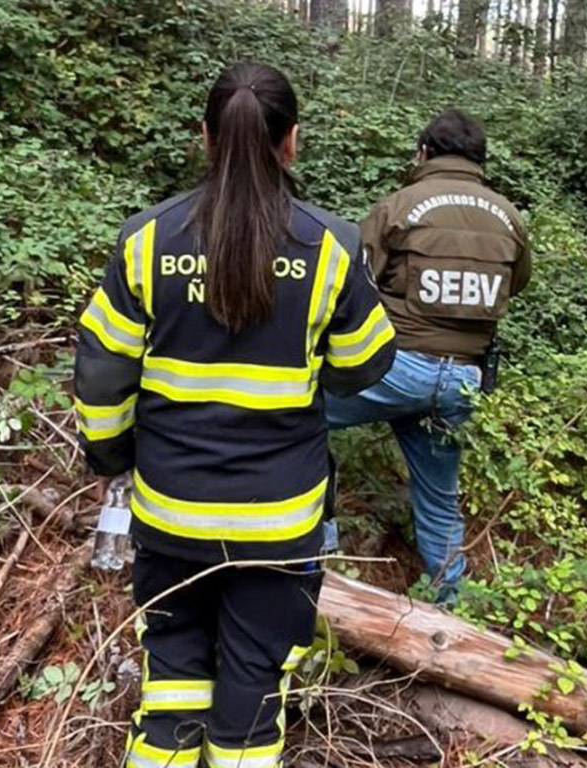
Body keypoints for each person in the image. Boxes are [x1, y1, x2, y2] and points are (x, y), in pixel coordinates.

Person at [73, 63, 396, 768]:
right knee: (252, 695)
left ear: (205, 138)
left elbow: (101, 378)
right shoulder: (331, 247)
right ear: (294, 143)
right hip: (279, 522)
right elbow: (368, 363)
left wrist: (113, 459)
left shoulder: (146, 241)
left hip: (170, 512)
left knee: (171, 687)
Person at [327, 109, 530, 604]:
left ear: (424, 154)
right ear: (481, 161)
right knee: (439, 497)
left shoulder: (401, 205)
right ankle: (448, 607)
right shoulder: (509, 216)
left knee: (300, 411)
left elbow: (349, 278)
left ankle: (318, 552)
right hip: (465, 379)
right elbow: (518, 282)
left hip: (396, 367)